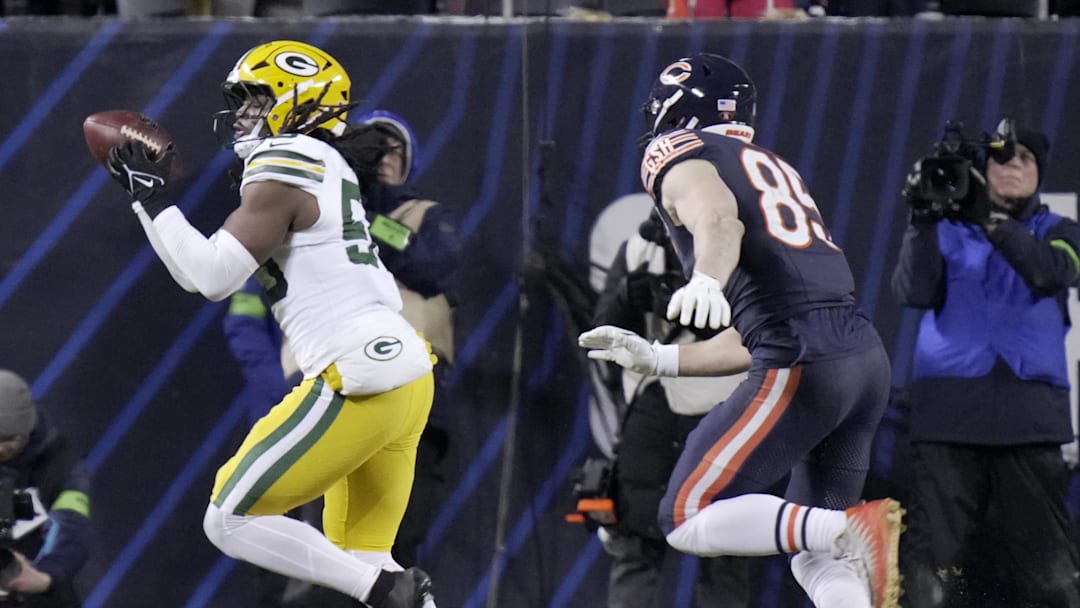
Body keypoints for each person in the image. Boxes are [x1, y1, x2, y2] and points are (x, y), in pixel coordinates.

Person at [104, 40, 438, 608]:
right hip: (406, 376)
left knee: (229, 517)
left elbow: (210, 275)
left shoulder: (288, 158)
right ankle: (390, 587)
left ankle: (386, 589)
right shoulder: (325, 165)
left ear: (301, 102)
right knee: (363, 554)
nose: (241, 116)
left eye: (256, 100)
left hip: (357, 373)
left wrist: (150, 200)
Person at [578, 53, 900, 608]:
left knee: (683, 516)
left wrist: (705, 278)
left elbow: (717, 218)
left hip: (804, 363)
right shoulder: (772, 166)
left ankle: (850, 529)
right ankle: (841, 537)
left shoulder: (676, 152)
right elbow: (766, 321)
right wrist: (662, 359)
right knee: (815, 556)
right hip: (863, 363)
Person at [891, 120, 1080, 606]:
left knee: (1050, 575)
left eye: (1025, 159)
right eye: (1001, 158)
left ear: (1040, 173)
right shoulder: (940, 229)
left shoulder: (1060, 231)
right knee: (937, 570)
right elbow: (910, 291)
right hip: (947, 420)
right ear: (982, 169)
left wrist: (989, 221)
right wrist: (921, 220)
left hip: (1030, 421)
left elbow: (1051, 271)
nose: (1013, 167)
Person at [592, 209, 751, 607]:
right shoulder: (639, 250)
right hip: (652, 415)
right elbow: (600, 335)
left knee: (726, 556)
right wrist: (629, 298)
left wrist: (696, 313)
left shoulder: (745, 250)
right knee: (635, 547)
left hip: (724, 413)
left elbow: (765, 332)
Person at [0, 370, 91, 608]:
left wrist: (43, 577)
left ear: (26, 430)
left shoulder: (59, 465)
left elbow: (72, 529)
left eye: (7, 438)